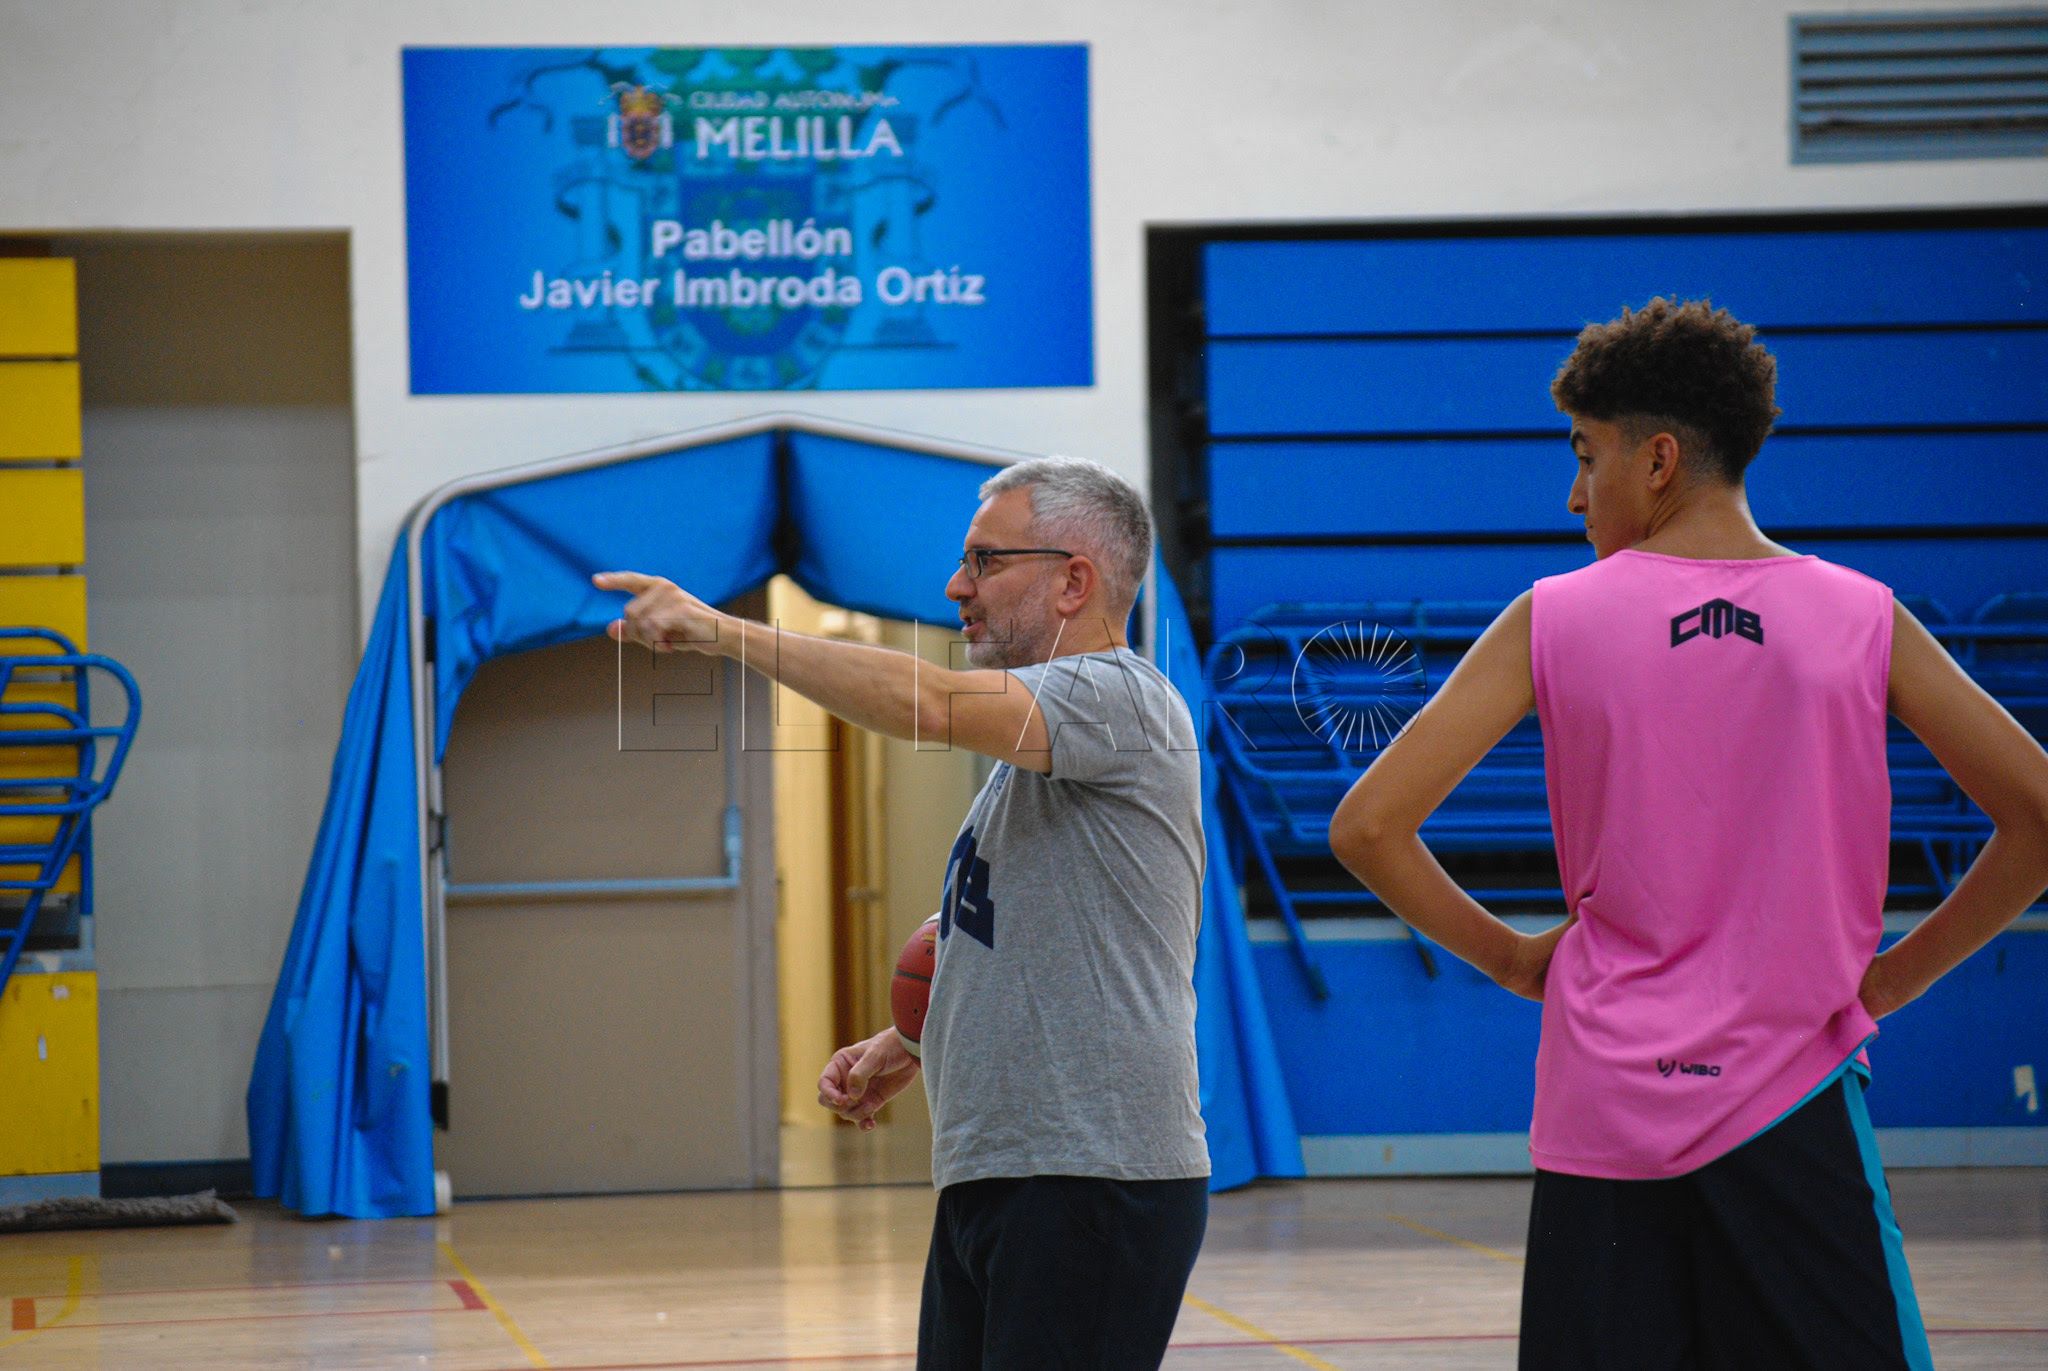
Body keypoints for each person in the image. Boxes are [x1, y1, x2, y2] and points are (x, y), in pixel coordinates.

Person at [1327, 297, 2048, 1371]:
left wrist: (1517, 959)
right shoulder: (1860, 616)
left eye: (1584, 456)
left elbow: (1369, 825)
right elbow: (2035, 816)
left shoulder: (1552, 616)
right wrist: (1892, 980)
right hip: (1793, 1101)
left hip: (1604, 1110)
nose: (1572, 494)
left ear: (1657, 458)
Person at [595, 456, 1210, 1370]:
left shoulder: (1118, 698)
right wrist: (914, 1038)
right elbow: (1041, 926)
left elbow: (922, 699)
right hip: (1009, 1171)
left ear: (1075, 579)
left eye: (985, 561)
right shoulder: (1036, 757)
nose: (956, 586)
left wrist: (724, 631)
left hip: (1092, 1175)